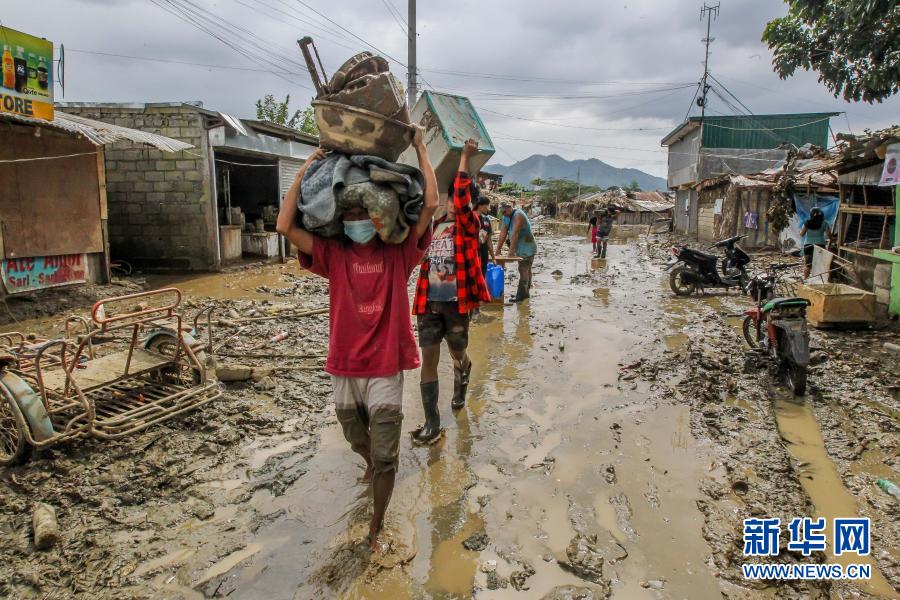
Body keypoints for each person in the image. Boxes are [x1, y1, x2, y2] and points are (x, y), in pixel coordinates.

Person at [275, 129, 438, 553]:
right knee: (355, 436)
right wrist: (307, 169)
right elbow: (284, 225)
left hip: (385, 364)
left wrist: (420, 147)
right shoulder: (334, 256)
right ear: (341, 222)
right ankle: (369, 465)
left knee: (387, 453)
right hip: (345, 363)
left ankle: (377, 527)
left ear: (379, 219)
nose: (357, 223)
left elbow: (431, 206)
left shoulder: (398, 256)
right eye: (349, 217)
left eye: (364, 217)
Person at [412, 139, 491, 444]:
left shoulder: (470, 224)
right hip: (429, 302)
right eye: (447, 199)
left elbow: (460, 198)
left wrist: (465, 158)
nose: (449, 203)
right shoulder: (435, 227)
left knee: (456, 352)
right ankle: (432, 423)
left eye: (455, 200)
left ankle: (463, 369)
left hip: (456, 304)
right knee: (428, 358)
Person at [496, 201, 538, 302]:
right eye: (502, 212)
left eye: (504, 211)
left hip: (527, 246)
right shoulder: (506, 217)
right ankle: (526, 293)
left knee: (523, 269)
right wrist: (498, 249)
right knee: (526, 269)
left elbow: (515, 234)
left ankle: (521, 296)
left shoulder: (518, 215)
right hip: (520, 247)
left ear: (510, 208)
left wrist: (510, 253)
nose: (503, 214)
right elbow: (503, 233)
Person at [800, 207, 831, 279]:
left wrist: (800, 230)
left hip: (808, 245)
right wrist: (832, 238)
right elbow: (829, 235)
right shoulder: (824, 223)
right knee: (820, 264)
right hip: (820, 245)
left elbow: (802, 234)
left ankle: (805, 279)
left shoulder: (807, 223)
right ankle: (818, 280)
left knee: (807, 264)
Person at [476, 196, 497, 279]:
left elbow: (489, 240)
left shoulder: (486, 220)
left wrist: (493, 258)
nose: (488, 209)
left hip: (484, 254)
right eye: (487, 206)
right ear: (480, 206)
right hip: (473, 254)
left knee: (482, 277)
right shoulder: (470, 219)